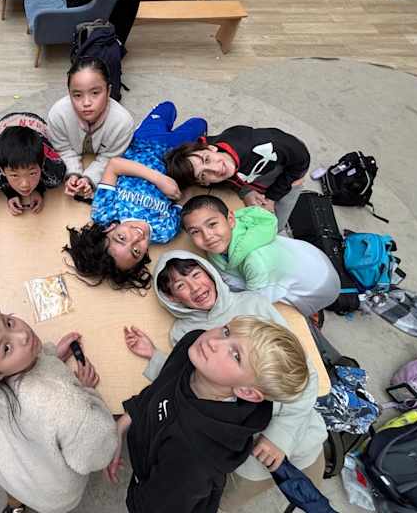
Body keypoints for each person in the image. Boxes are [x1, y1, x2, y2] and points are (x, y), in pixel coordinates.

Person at [124, 251, 328, 508]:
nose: (194, 287)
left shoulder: (253, 305)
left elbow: (302, 377)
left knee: (314, 493)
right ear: (171, 297)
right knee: (225, 498)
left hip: (301, 432)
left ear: (210, 272)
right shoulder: (185, 334)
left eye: (196, 274)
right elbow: (186, 379)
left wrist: (281, 436)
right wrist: (154, 356)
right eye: (180, 285)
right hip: (247, 459)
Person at [107, 317, 311, 513]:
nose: (213, 342)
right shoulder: (194, 349)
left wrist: (135, 494)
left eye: (236, 356)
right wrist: (124, 423)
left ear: (247, 392)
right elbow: (162, 387)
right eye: (227, 331)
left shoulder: (193, 458)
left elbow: (155, 507)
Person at [0, 308, 118, 513]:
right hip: (54, 495)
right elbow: (99, 454)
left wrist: (50, 354)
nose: (22, 335)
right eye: (6, 348)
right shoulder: (66, 405)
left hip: (7, 476)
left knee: (18, 493)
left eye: (8, 323)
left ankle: (14, 506)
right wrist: (85, 392)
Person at [63, 101, 206, 290]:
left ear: (109, 229)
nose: (136, 237)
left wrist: (158, 179)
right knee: (200, 123)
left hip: (145, 141)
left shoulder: (104, 213)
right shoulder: (165, 231)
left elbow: (114, 165)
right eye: (136, 251)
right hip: (179, 157)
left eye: (122, 238)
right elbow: (186, 196)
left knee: (168, 107)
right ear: (144, 255)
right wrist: (188, 179)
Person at [181, 195, 340, 318]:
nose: (207, 236)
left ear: (230, 219)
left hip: (318, 285)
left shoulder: (256, 262)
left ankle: (313, 316)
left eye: (212, 224)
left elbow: (254, 305)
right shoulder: (223, 237)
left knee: (288, 315)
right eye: (195, 231)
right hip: (307, 256)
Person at [165, 125, 310, 231]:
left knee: (276, 225)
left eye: (207, 159)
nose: (216, 169)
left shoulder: (261, 144)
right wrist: (246, 192)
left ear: (210, 148)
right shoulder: (216, 169)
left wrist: (273, 197)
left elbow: (302, 159)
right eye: (203, 175)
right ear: (204, 183)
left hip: (290, 166)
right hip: (253, 175)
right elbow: (227, 180)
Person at [46, 57, 135, 200]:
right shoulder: (58, 115)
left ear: (108, 91)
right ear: (69, 93)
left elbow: (109, 158)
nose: (86, 103)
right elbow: (62, 148)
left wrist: (89, 178)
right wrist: (73, 173)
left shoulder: (122, 123)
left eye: (95, 93)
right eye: (77, 95)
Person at [0, 112, 66, 216]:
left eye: (32, 173)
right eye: (14, 175)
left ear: (42, 162)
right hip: (4, 123)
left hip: (35, 122)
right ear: (1, 169)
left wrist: (39, 189)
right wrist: (10, 194)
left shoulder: (56, 171)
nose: (25, 184)